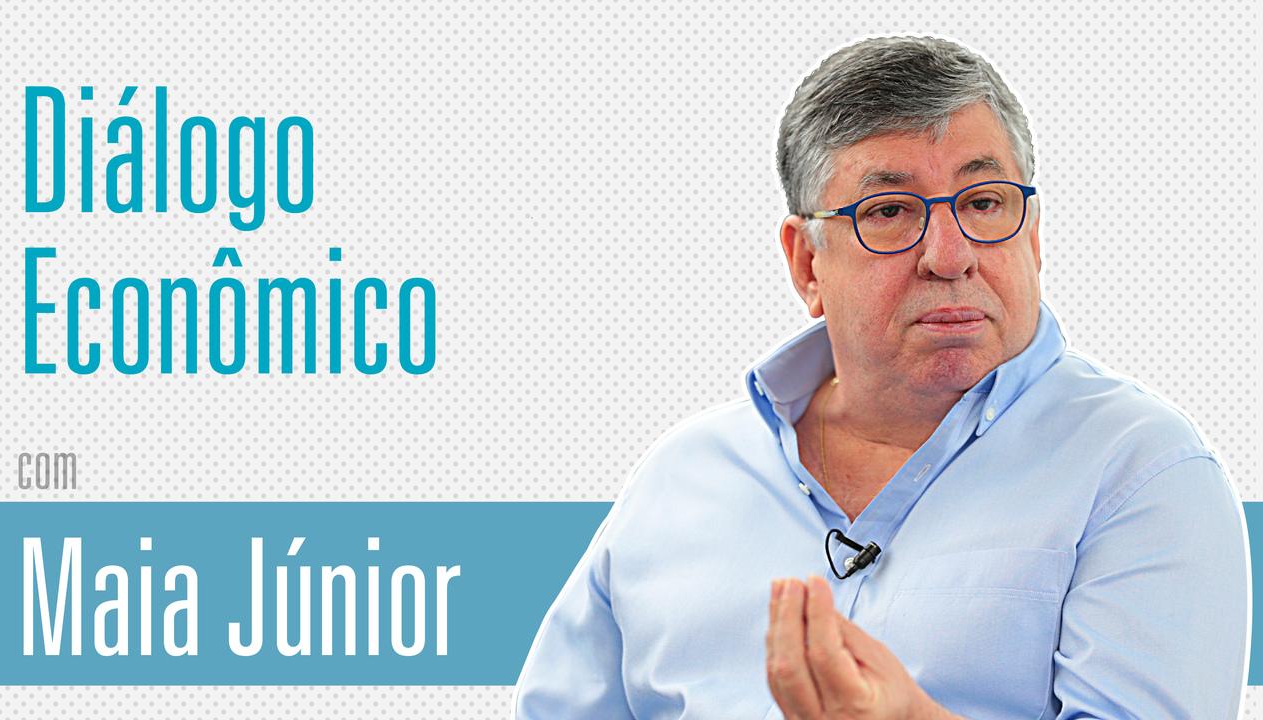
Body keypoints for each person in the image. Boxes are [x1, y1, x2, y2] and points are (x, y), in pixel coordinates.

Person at [511, 36, 1250, 719]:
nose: (950, 255)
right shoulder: (682, 477)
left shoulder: (1141, 470)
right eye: (890, 211)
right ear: (807, 263)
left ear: (1033, 235)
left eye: (983, 203)